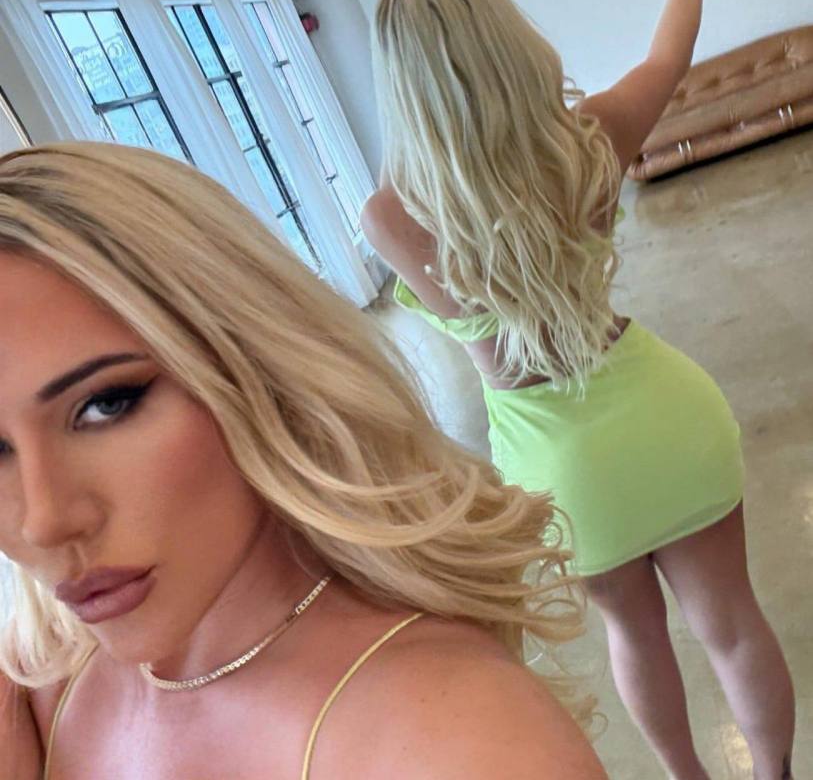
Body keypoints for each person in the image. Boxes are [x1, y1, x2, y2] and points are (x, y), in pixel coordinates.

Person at [0, 141, 608, 780]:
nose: (43, 522)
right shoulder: (39, 679)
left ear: (254, 364)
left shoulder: (462, 745)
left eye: (106, 405)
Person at [362, 0, 796, 780]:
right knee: (732, 623)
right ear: (509, 45)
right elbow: (668, 57)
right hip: (665, 413)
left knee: (633, 633)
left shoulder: (392, 216)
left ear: (402, 89)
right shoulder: (586, 139)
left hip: (560, 465)